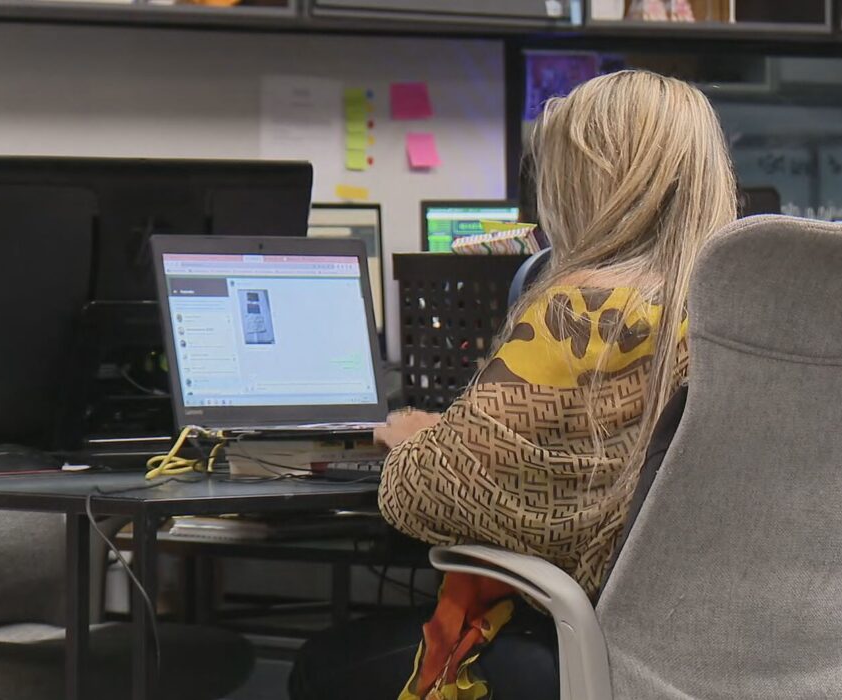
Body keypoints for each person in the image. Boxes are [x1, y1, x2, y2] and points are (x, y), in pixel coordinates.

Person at [288, 69, 738, 700]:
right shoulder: (743, 316)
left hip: (602, 655)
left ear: (590, 183)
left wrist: (417, 439)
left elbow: (418, 495)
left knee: (321, 665)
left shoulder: (583, 313)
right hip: (733, 658)